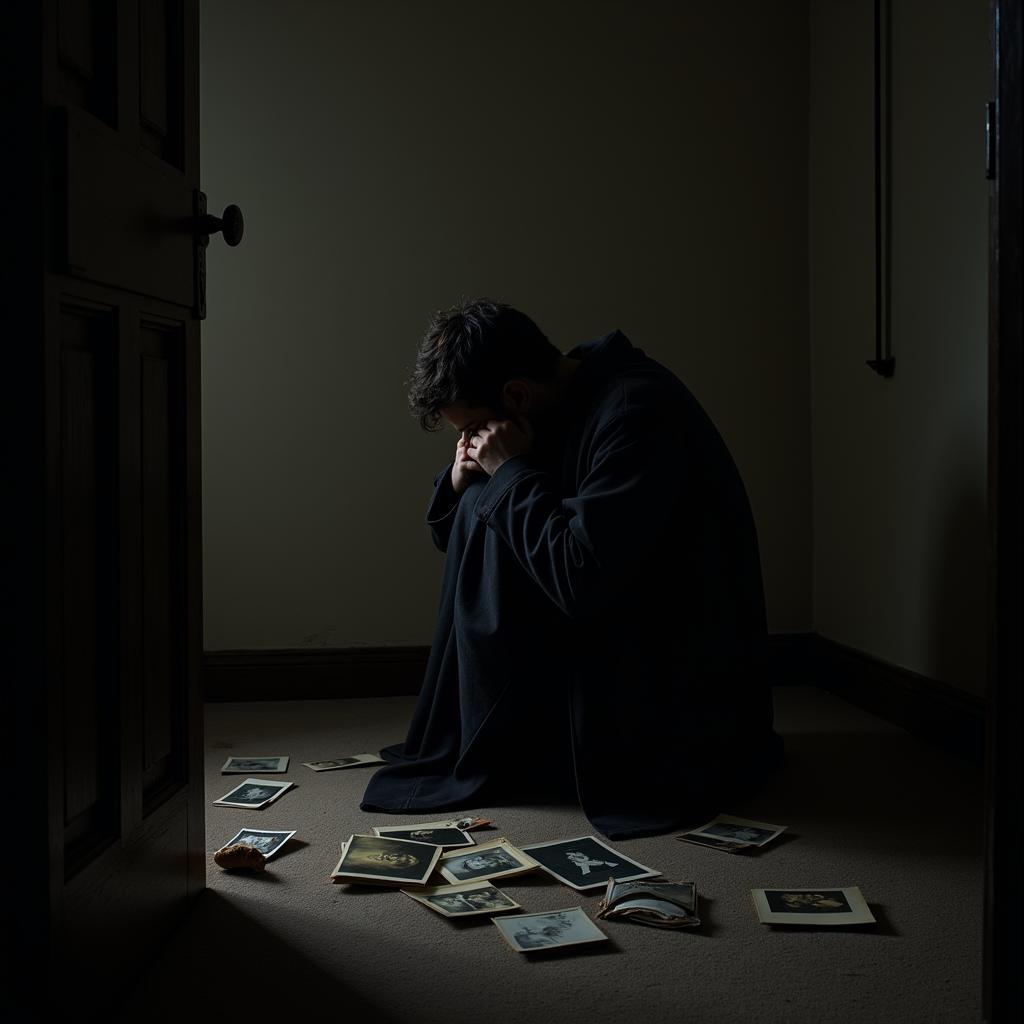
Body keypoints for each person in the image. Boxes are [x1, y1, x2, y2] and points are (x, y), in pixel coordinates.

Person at [360, 298, 783, 839]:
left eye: (471, 427)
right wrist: (464, 479)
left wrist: (508, 470)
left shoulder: (636, 413)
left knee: (509, 482)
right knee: (493, 490)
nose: (470, 442)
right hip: (607, 616)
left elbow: (582, 578)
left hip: (671, 663)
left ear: (516, 395)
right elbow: (469, 537)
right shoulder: (558, 399)